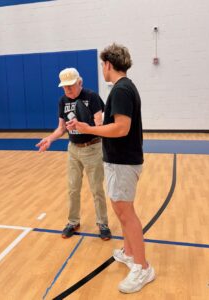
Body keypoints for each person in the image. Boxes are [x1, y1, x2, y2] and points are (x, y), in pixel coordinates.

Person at [66, 44, 155, 293]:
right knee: (123, 210)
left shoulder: (121, 90)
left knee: (125, 213)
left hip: (123, 162)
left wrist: (89, 128)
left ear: (108, 64)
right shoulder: (123, 89)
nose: (101, 69)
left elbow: (121, 129)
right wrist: (100, 121)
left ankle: (143, 267)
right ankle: (129, 253)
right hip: (122, 161)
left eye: (102, 65)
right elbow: (116, 124)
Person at [36, 68, 112, 241]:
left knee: (97, 189)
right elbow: (61, 127)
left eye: (71, 85)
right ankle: (73, 222)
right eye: (64, 87)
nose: (68, 90)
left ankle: (102, 223)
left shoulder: (92, 97)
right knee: (72, 188)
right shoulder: (63, 101)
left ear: (80, 82)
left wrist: (82, 125)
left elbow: (99, 126)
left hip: (92, 148)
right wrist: (50, 139)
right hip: (73, 150)